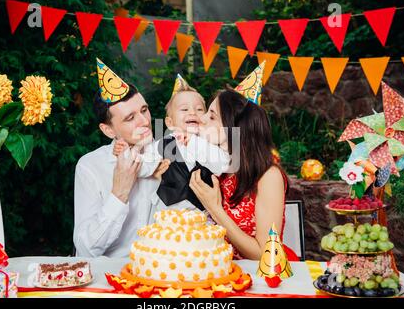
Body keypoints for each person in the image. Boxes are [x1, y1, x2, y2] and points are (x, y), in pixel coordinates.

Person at [189, 64, 299, 261]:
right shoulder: (214, 168)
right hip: (217, 272)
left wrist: (215, 209)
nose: (201, 119)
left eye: (212, 116)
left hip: (262, 278)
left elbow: (265, 255)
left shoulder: (268, 176)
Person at [73, 58, 168, 258]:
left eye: (144, 110)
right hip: (110, 275)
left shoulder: (169, 152)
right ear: (108, 130)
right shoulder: (90, 166)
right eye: (130, 118)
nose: (144, 122)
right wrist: (119, 192)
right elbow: (86, 249)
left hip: (161, 271)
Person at [113, 74, 230, 219]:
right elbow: (143, 167)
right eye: (184, 109)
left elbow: (223, 165)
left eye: (199, 109)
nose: (192, 112)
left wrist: (194, 142)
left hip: (204, 219)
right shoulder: (163, 144)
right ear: (170, 123)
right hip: (168, 218)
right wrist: (126, 153)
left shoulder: (209, 142)